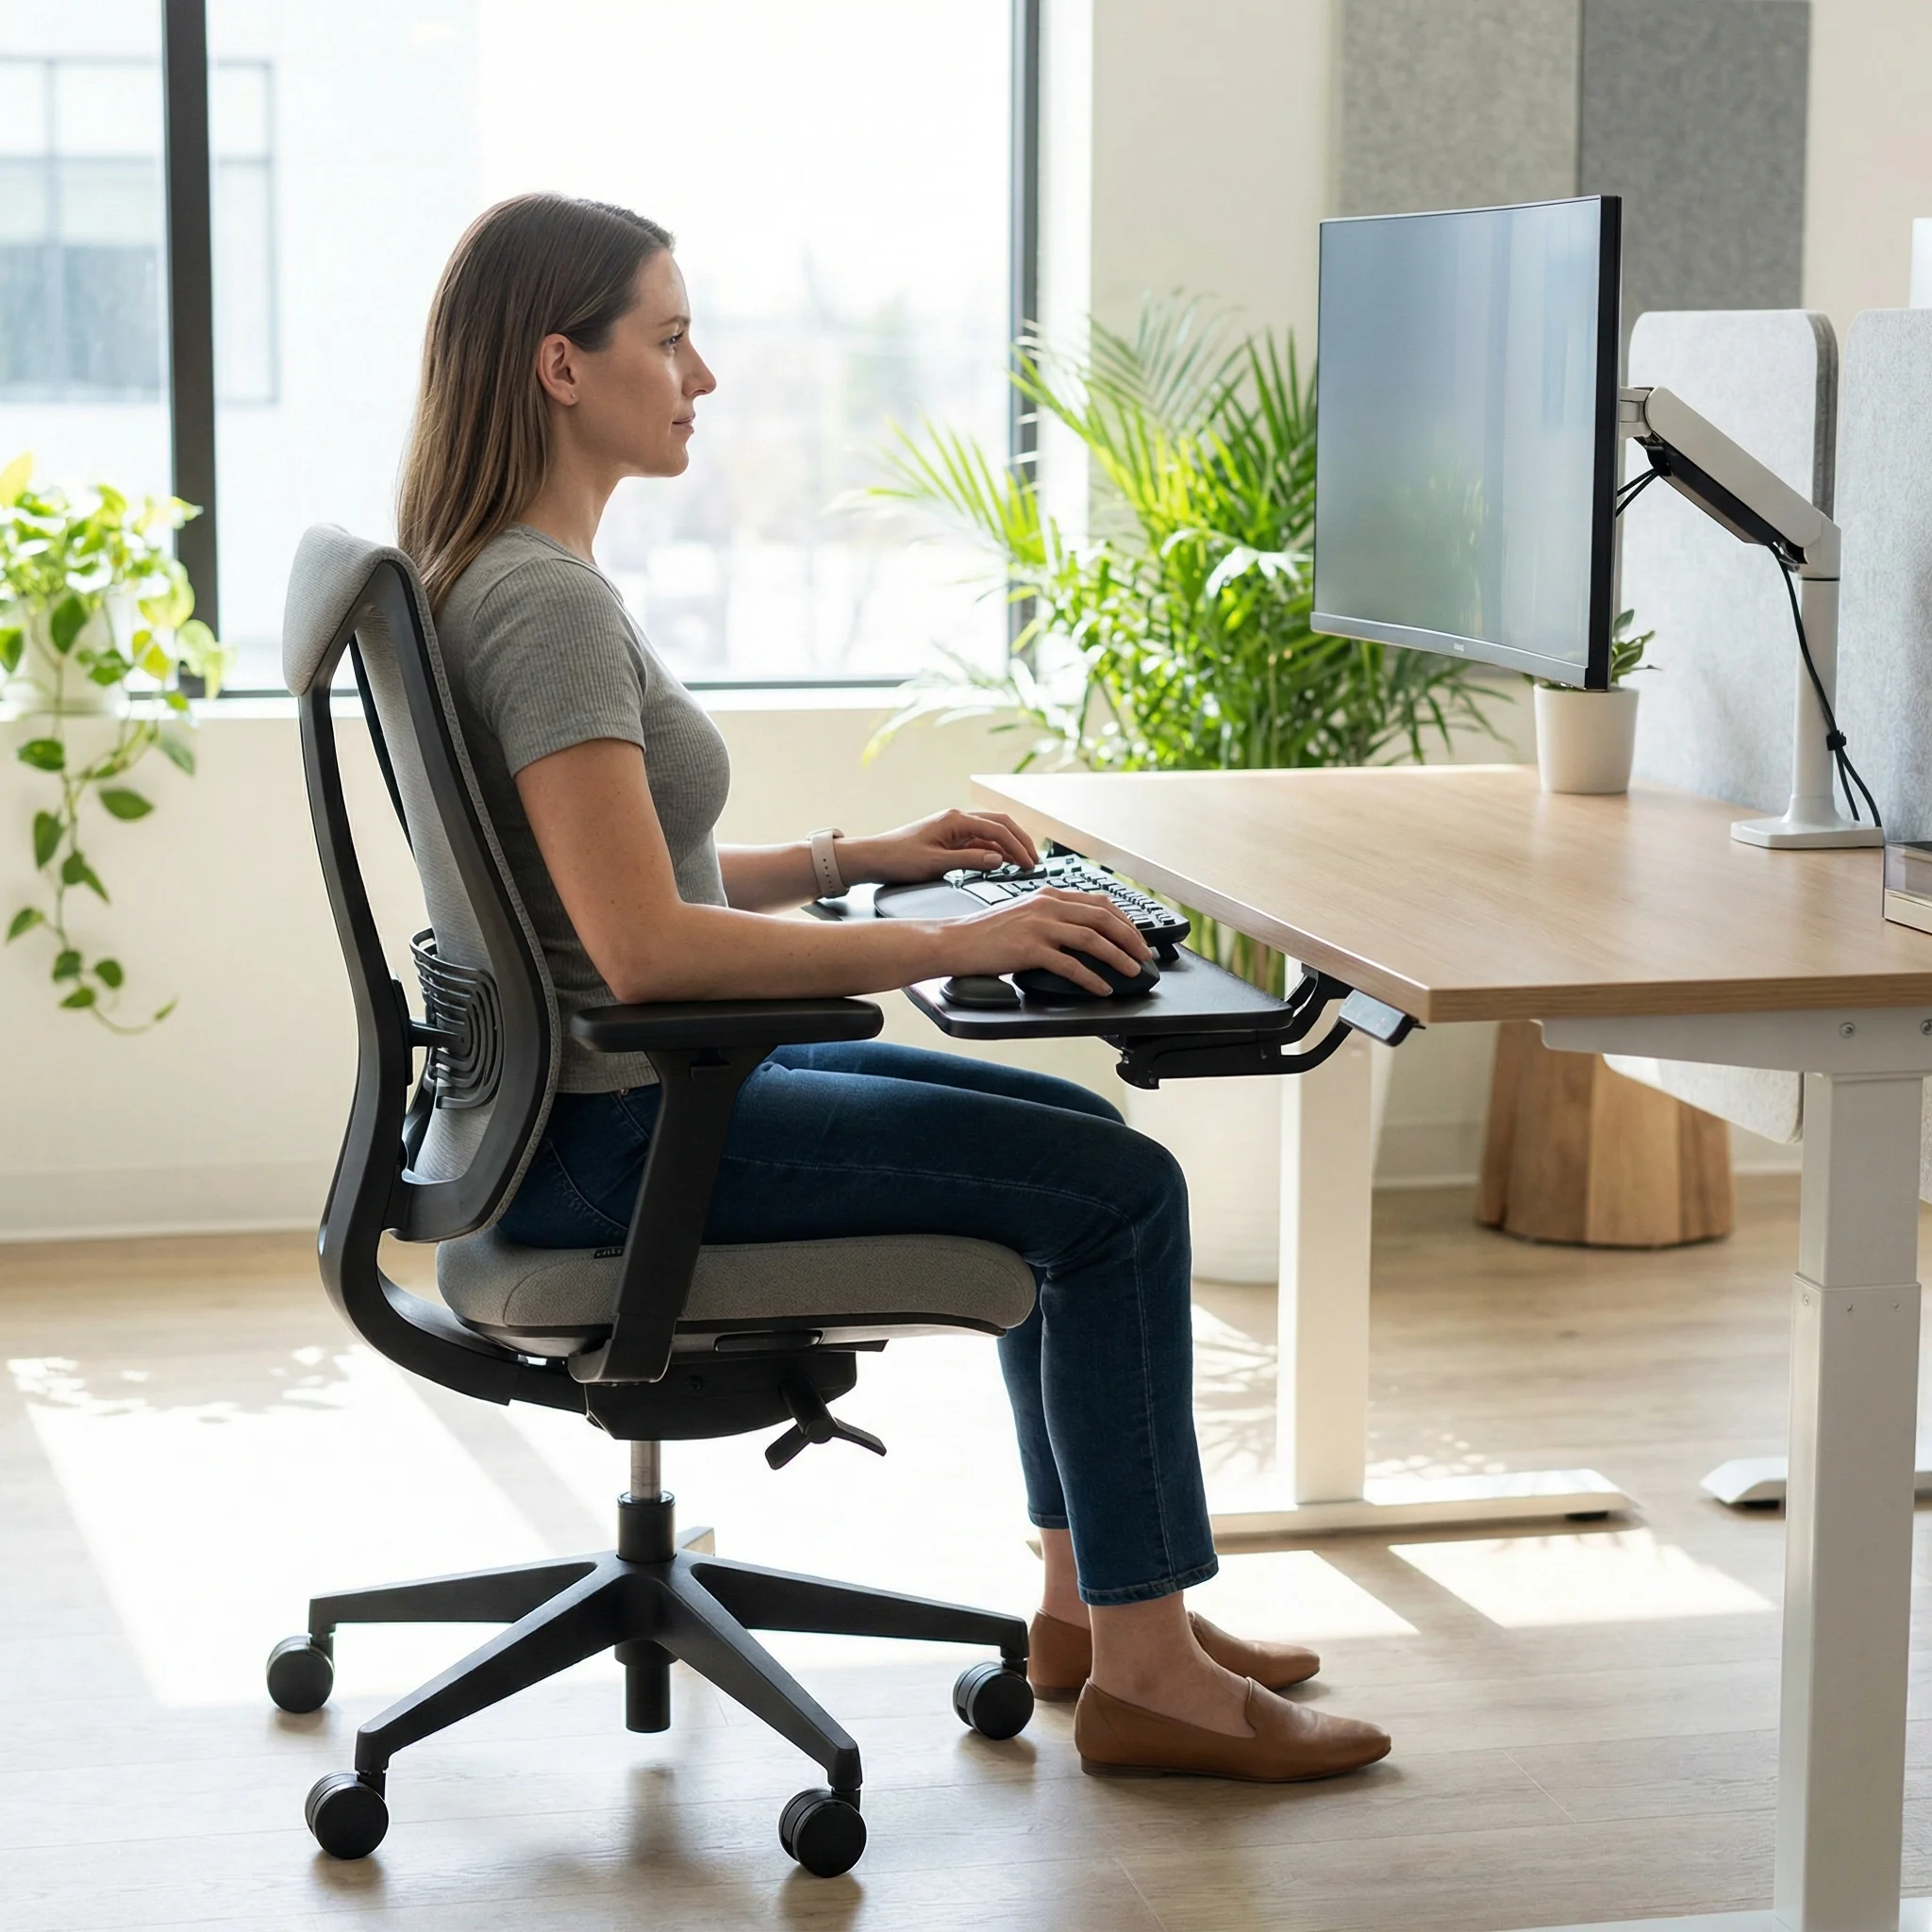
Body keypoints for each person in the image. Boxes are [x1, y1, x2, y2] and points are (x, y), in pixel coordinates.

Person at [394, 192, 1390, 1784]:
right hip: (624, 1140)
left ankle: (1097, 1616)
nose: (703, 375)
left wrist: (862, 858)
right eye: (670, 338)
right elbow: (646, 951)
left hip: (584, 1117)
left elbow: (611, 892)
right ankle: (1151, 1677)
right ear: (561, 368)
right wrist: (952, 941)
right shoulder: (546, 606)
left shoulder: (492, 577)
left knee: (1083, 1154)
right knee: (1120, 1196)